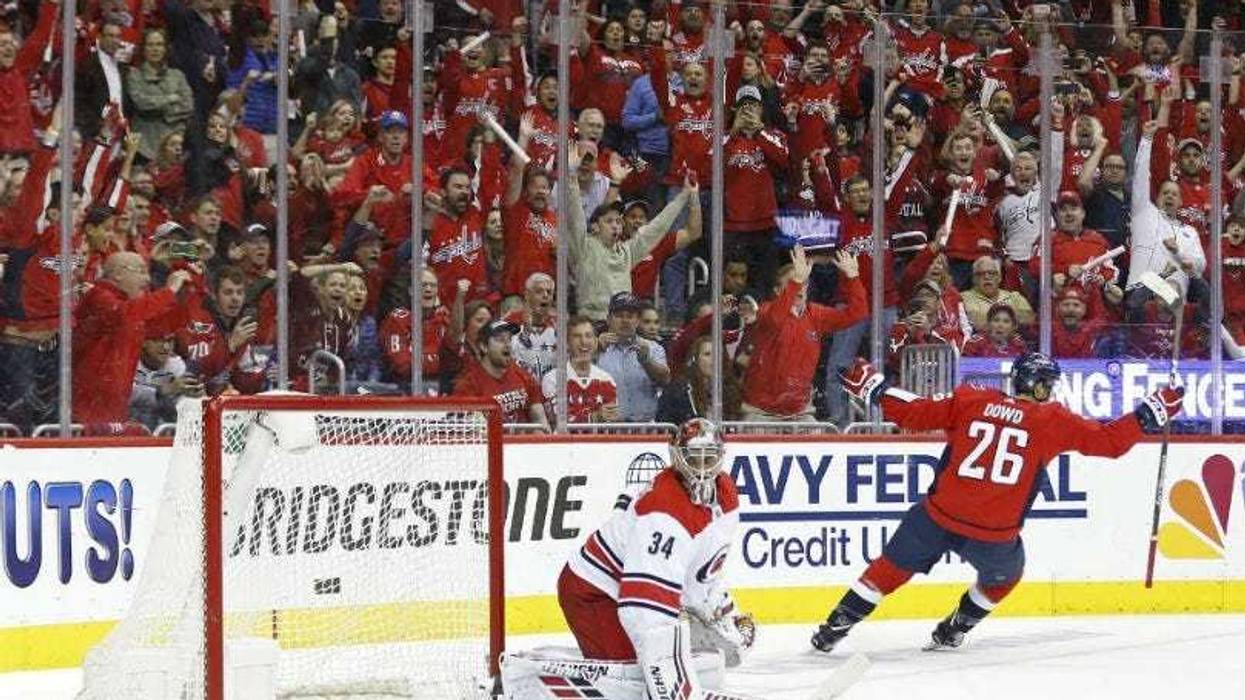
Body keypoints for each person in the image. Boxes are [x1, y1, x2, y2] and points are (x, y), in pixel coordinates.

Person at [811, 352, 1184, 654]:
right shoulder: (1051, 420)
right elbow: (1109, 442)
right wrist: (1147, 414)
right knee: (1006, 578)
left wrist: (876, 389)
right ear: (1036, 386)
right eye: (1047, 385)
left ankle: (833, 628)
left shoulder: (973, 400)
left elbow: (914, 410)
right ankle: (954, 629)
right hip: (993, 535)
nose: (1050, 391)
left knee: (886, 570)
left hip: (938, 516)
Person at [518, 418, 754, 698]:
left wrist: (723, 612)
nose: (702, 468)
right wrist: (666, 674)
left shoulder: (726, 494)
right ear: (677, 457)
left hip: (625, 588)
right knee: (632, 684)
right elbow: (644, 612)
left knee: (680, 666)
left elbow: (701, 574)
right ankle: (530, 685)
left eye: (709, 458)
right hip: (593, 592)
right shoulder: (663, 512)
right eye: (694, 457)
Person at [73, 253, 194, 423]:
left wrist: (184, 294)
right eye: (141, 271)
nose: (147, 279)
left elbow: (166, 324)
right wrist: (169, 291)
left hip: (116, 408)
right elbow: (123, 314)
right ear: (118, 274)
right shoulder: (96, 296)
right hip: (89, 408)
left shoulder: (134, 307)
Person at [453, 320, 550, 430]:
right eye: (500, 340)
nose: (507, 344)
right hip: (490, 445)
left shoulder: (522, 375)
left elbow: (541, 422)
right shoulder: (468, 385)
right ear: (484, 346)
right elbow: (474, 433)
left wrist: (539, 433)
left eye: (509, 339)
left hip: (523, 445)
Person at [542, 316, 618, 424]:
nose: (584, 341)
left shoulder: (607, 379)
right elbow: (559, 420)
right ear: (567, 343)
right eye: (577, 336)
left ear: (596, 342)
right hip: (565, 441)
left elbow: (611, 421)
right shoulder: (552, 379)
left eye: (588, 336)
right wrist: (594, 417)